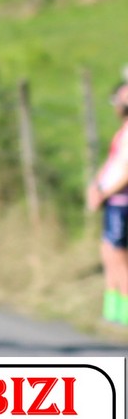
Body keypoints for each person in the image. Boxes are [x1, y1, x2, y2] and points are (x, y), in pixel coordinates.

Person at [86, 82, 128, 325]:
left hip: (122, 203)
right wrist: (96, 185)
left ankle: (124, 314)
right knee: (109, 255)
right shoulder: (122, 132)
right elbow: (113, 163)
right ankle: (112, 311)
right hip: (114, 200)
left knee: (119, 259)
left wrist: (104, 193)